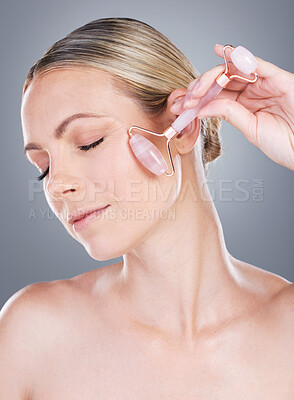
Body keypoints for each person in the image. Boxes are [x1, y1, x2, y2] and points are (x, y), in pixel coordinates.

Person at [1, 17, 293, 399]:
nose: (57, 185)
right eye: (43, 167)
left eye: (88, 142)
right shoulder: (32, 332)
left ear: (183, 126)